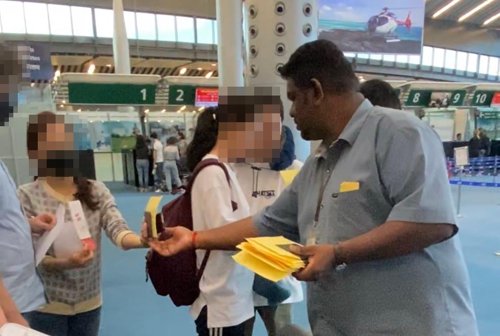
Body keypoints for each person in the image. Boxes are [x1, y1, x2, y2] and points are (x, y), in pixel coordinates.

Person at [149, 40, 478, 336]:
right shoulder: (319, 162)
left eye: (294, 99)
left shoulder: (398, 133)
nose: (291, 113)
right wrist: (193, 239)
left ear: (317, 91)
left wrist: (337, 253)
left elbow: (431, 223)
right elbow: (266, 223)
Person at [18, 111, 147, 336]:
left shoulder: (96, 190)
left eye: (64, 142)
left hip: (90, 304)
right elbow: (30, 257)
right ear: (34, 153)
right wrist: (64, 263)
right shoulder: (26, 196)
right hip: (45, 307)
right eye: (50, 144)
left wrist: (143, 240)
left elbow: (117, 229)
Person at [232, 101, 305, 336]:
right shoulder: (230, 169)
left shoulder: (296, 170)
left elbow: (306, 224)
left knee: (283, 332)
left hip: (280, 278)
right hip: (238, 277)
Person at [183, 106, 257, 336]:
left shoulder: (225, 169)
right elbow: (223, 235)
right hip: (220, 300)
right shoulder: (212, 172)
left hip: (235, 295)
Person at [0, 42, 54, 329]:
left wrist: (28, 224)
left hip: (20, 295)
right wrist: (11, 316)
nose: (13, 97)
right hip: (9, 306)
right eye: (10, 87)